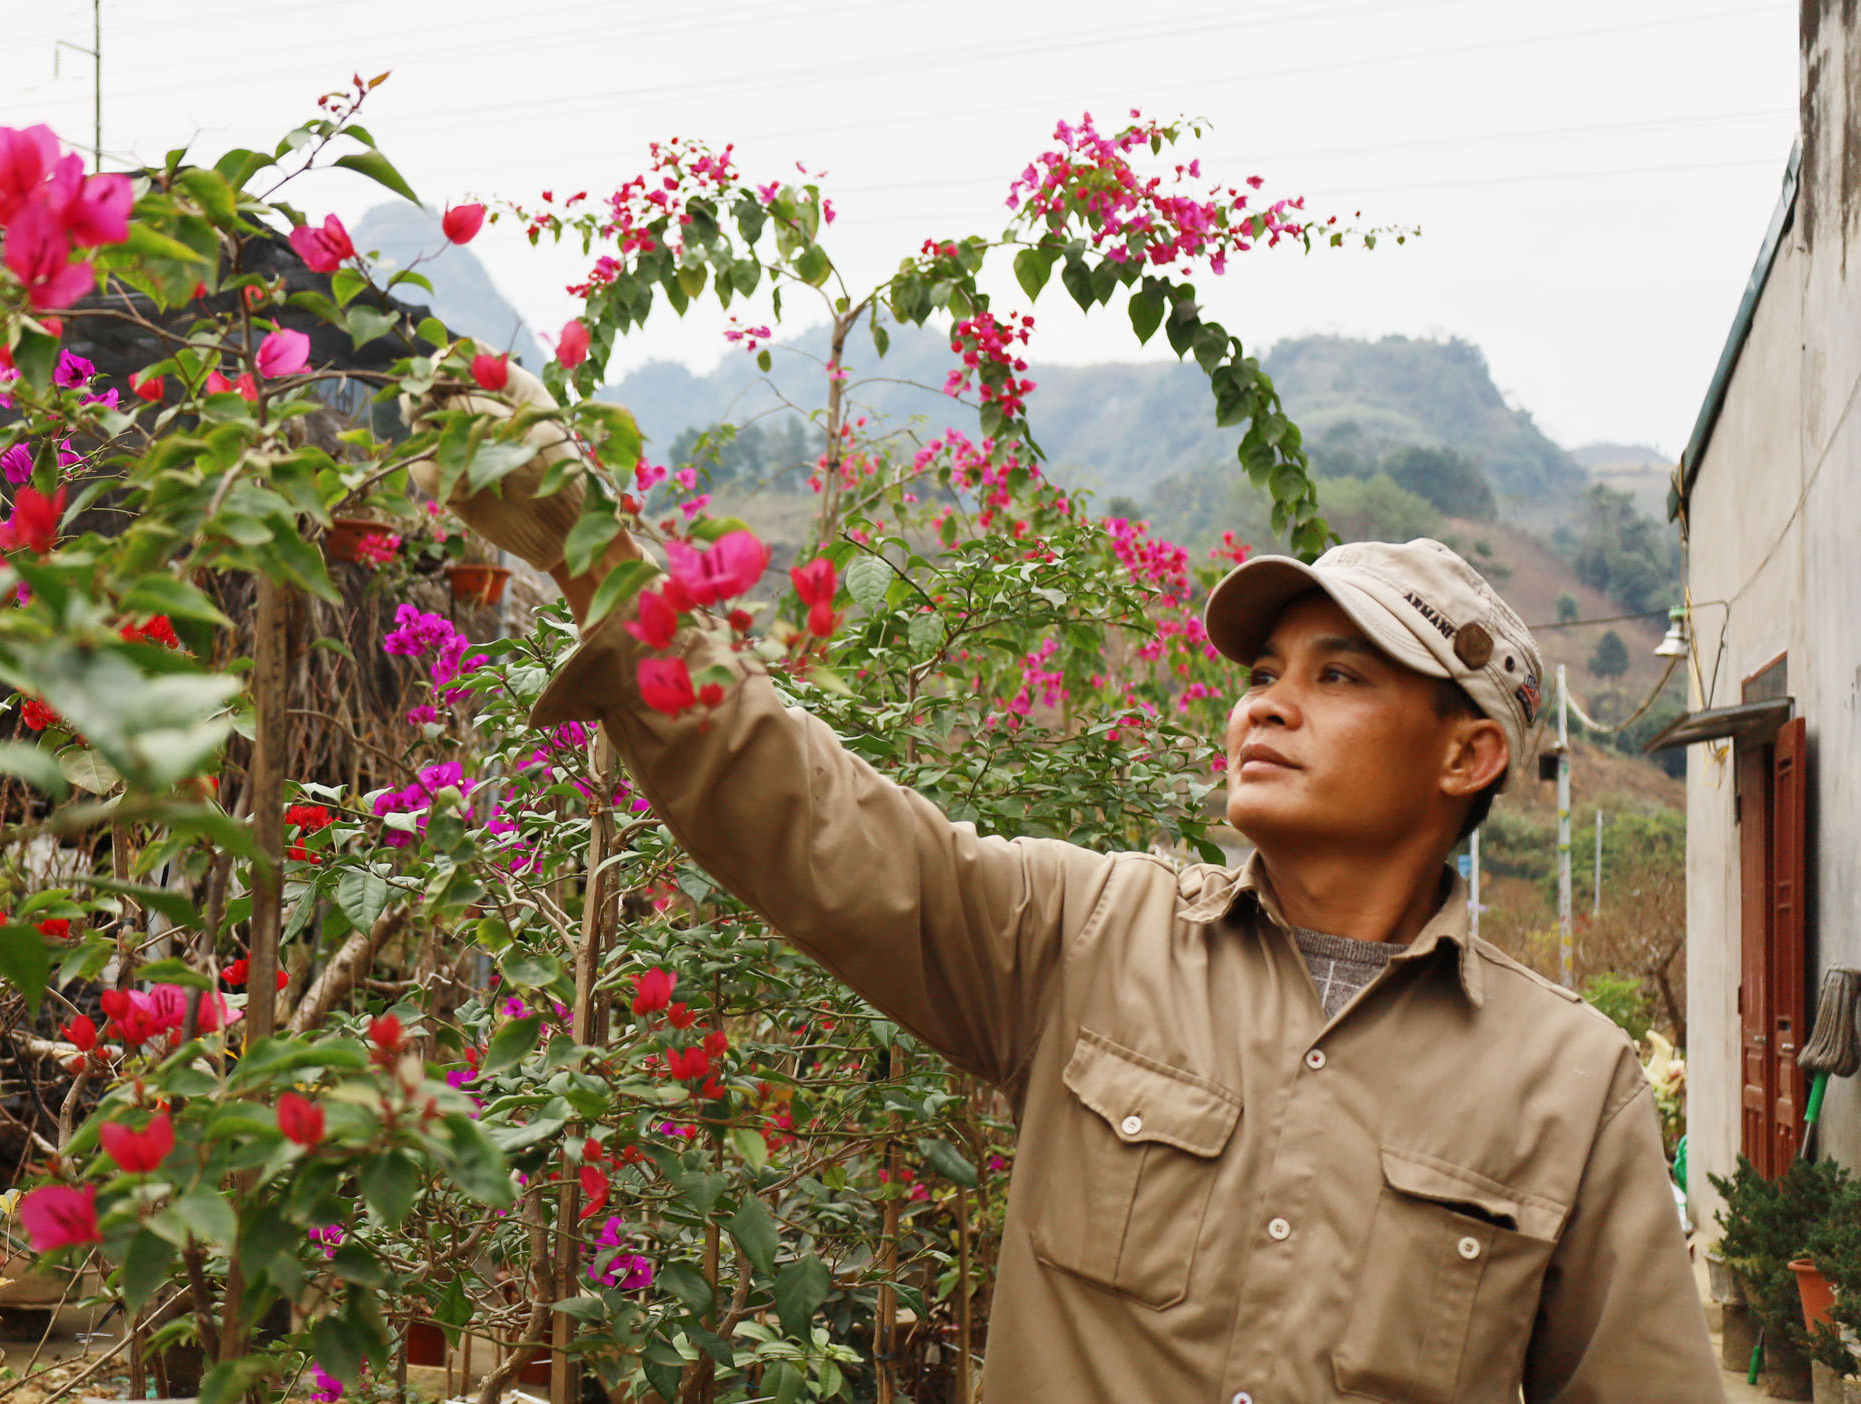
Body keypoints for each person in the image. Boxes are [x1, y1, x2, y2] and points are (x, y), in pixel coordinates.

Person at [413, 362, 1722, 1402]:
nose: (1267, 706)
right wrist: (599, 553)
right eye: (1262, 674)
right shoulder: (1087, 937)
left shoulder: (1571, 1086)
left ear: (1468, 753)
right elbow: (818, 824)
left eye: (1339, 676)